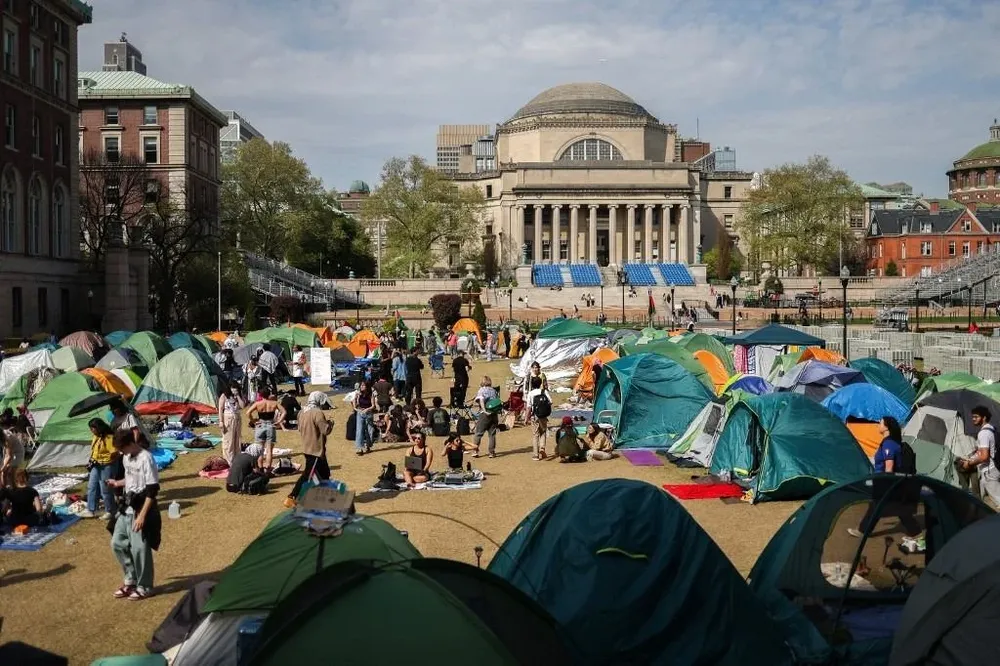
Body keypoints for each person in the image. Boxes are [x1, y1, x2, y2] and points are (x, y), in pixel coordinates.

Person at [108, 430, 161, 600]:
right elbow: (130, 479)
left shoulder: (146, 458)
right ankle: (130, 580)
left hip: (140, 509)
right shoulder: (126, 457)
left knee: (140, 549)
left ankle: (145, 586)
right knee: (117, 543)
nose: (121, 453)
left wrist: (142, 516)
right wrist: (117, 483)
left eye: (122, 449)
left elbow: (152, 490)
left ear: (130, 444)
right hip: (126, 508)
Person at [848, 416, 920, 537]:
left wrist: (887, 485)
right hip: (889, 482)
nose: (878, 425)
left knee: (877, 506)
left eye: (880, 423)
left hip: (886, 482)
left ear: (886, 428)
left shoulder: (889, 444)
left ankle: (862, 531)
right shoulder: (891, 442)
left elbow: (889, 467)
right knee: (897, 509)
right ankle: (915, 532)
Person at [285, 391, 334, 507]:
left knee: (325, 473)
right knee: (307, 475)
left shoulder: (302, 412)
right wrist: (331, 423)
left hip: (308, 447)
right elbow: (325, 430)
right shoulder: (317, 413)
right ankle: (291, 496)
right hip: (316, 449)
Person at [959, 405, 999, 506]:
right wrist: (971, 458)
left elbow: (984, 456)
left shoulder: (984, 433)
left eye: (976, 416)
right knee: (980, 501)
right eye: (973, 417)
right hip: (988, 471)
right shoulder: (992, 429)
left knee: (998, 498)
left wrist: (969, 463)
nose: (973, 419)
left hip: (989, 472)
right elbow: (982, 452)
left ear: (984, 417)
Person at [82, 419, 118, 519]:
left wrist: (107, 461)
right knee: (92, 486)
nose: (91, 430)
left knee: (105, 489)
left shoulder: (109, 438)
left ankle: (110, 511)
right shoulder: (95, 437)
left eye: (93, 428)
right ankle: (91, 510)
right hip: (96, 465)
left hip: (107, 466)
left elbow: (115, 453)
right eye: (90, 428)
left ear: (99, 427)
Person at [245, 389, 286, 472]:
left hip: (260, 425)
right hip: (270, 425)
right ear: (269, 394)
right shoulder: (274, 403)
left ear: (261, 395)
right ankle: (268, 470)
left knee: (259, 449)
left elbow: (248, 413)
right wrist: (279, 421)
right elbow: (284, 412)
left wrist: (253, 421)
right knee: (269, 450)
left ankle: (260, 469)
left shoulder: (257, 404)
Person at [217, 385, 245, 465]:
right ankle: (228, 461)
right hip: (228, 419)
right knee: (228, 441)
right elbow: (220, 409)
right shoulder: (224, 396)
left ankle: (237, 459)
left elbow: (243, 406)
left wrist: (238, 396)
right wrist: (221, 421)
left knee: (237, 440)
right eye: (233, 389)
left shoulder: (238, 396)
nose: (234, 391)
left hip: (237, 419)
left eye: (236, 390)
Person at [352, 380, 376, 455]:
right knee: (359, 430)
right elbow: (354, 404)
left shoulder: (371, 394)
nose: (361, 387)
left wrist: (367, 409)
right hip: (360, 413)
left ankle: (368, 445)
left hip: (369, 414)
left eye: (363, 385)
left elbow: (373, 406)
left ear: (367, 386)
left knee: (370, 431)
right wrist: (356, 408)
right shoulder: (358, 394)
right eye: (361, 385)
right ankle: (359, 448)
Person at [1, 417, 25, 488]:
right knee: (4, 473)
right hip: (9, 453)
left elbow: (9, 456)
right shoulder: (2, 434)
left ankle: (14, 490)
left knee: (10, 473)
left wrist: (3, 468)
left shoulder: (7, 438)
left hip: (17, 453)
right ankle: (4, 489)